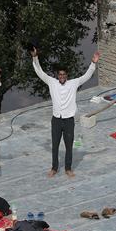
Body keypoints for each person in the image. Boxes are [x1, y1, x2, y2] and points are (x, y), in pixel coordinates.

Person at [31, 47, 100, 178]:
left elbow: (86, 76)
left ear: (67, 76)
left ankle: (68, 168)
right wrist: (35, 57)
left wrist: (93, 63)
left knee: (69, 145)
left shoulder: (73, 83)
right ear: (58, 76)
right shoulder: (52, 82)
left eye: (64, 75)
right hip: (56, 119)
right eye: (60, 75)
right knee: (55, 146)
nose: (62, 77)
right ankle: (54, 168)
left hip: (69, 120)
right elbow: (40, 72)